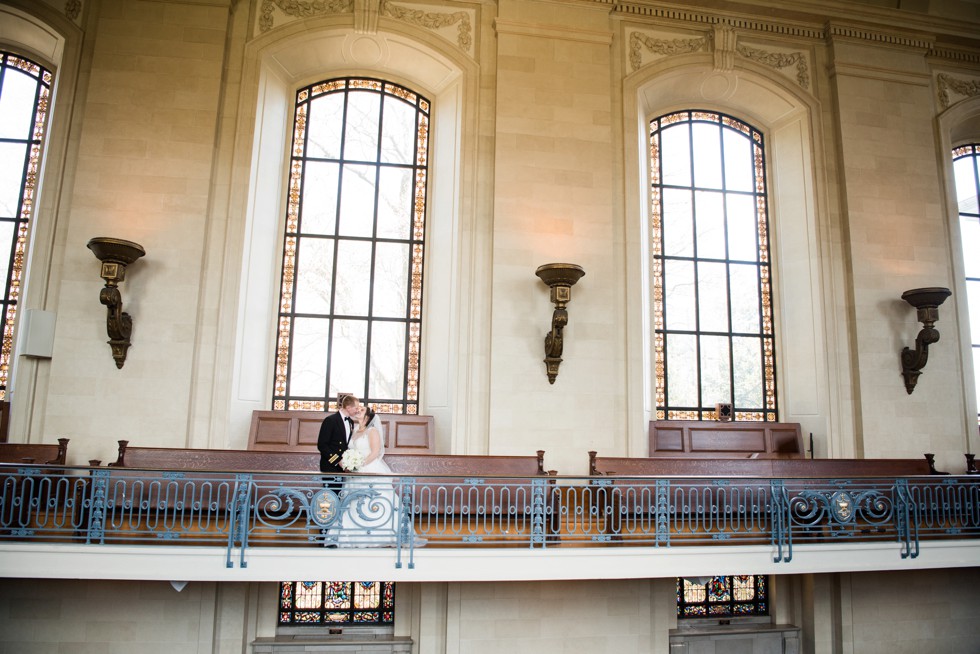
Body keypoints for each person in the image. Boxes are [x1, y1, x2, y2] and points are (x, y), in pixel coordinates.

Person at [336, 407, 400, 548]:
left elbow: (375, 452)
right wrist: (348, 463)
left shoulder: (372, 431)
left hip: (369, 468)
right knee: (352, 501)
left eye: (362, 410)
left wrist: (360, 465)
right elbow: (350, 450)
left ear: (367, 417)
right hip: (355, 472)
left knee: (372, 501)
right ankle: (352, 535)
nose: (358, 410)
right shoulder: (354, 431)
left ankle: (378, 535)